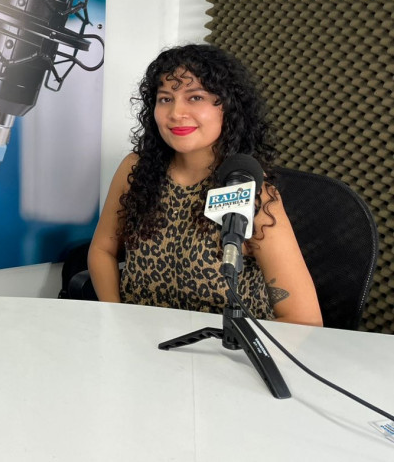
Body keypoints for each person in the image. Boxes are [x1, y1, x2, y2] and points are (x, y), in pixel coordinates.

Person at [87, 44, 322, 326]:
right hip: (141, 338)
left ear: (228, 107)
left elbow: (304, 319)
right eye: (165, 99)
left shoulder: (252, 191)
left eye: (195, 97)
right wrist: (115, 319)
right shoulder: (135, 169)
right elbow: (102, 250)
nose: (176, 112)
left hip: (223, 346)